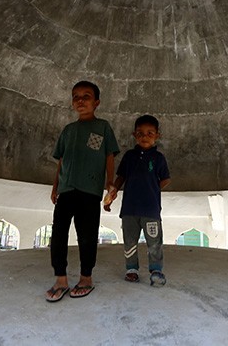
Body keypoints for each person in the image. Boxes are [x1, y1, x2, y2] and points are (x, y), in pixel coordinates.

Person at [45, 81, 119, 302]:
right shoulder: (68, 130)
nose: (80, 100)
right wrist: (55, 186)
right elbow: (61, 160)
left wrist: (109, 183)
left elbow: (108, 155)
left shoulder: (103, 127)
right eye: (76, 96)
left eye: (86, 96)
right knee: (58, 234)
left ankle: (86, 278)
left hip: (90, 191)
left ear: (96, 102)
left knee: (87, 236)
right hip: (66, 190)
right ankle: (60, 279)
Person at [104, 114, 171, 286]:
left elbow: (165, 180)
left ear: (157, 135)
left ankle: (156, 270)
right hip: (129, 210)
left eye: (150, 133)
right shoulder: (129, 156)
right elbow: (121, 177)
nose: (144, 137)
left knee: (154, 242)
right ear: (134, 135)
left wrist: (150, 189)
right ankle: (131, 269)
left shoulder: (158, 158)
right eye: (140, 133)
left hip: (151, 211)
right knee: (130, 241)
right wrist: (112, 193)